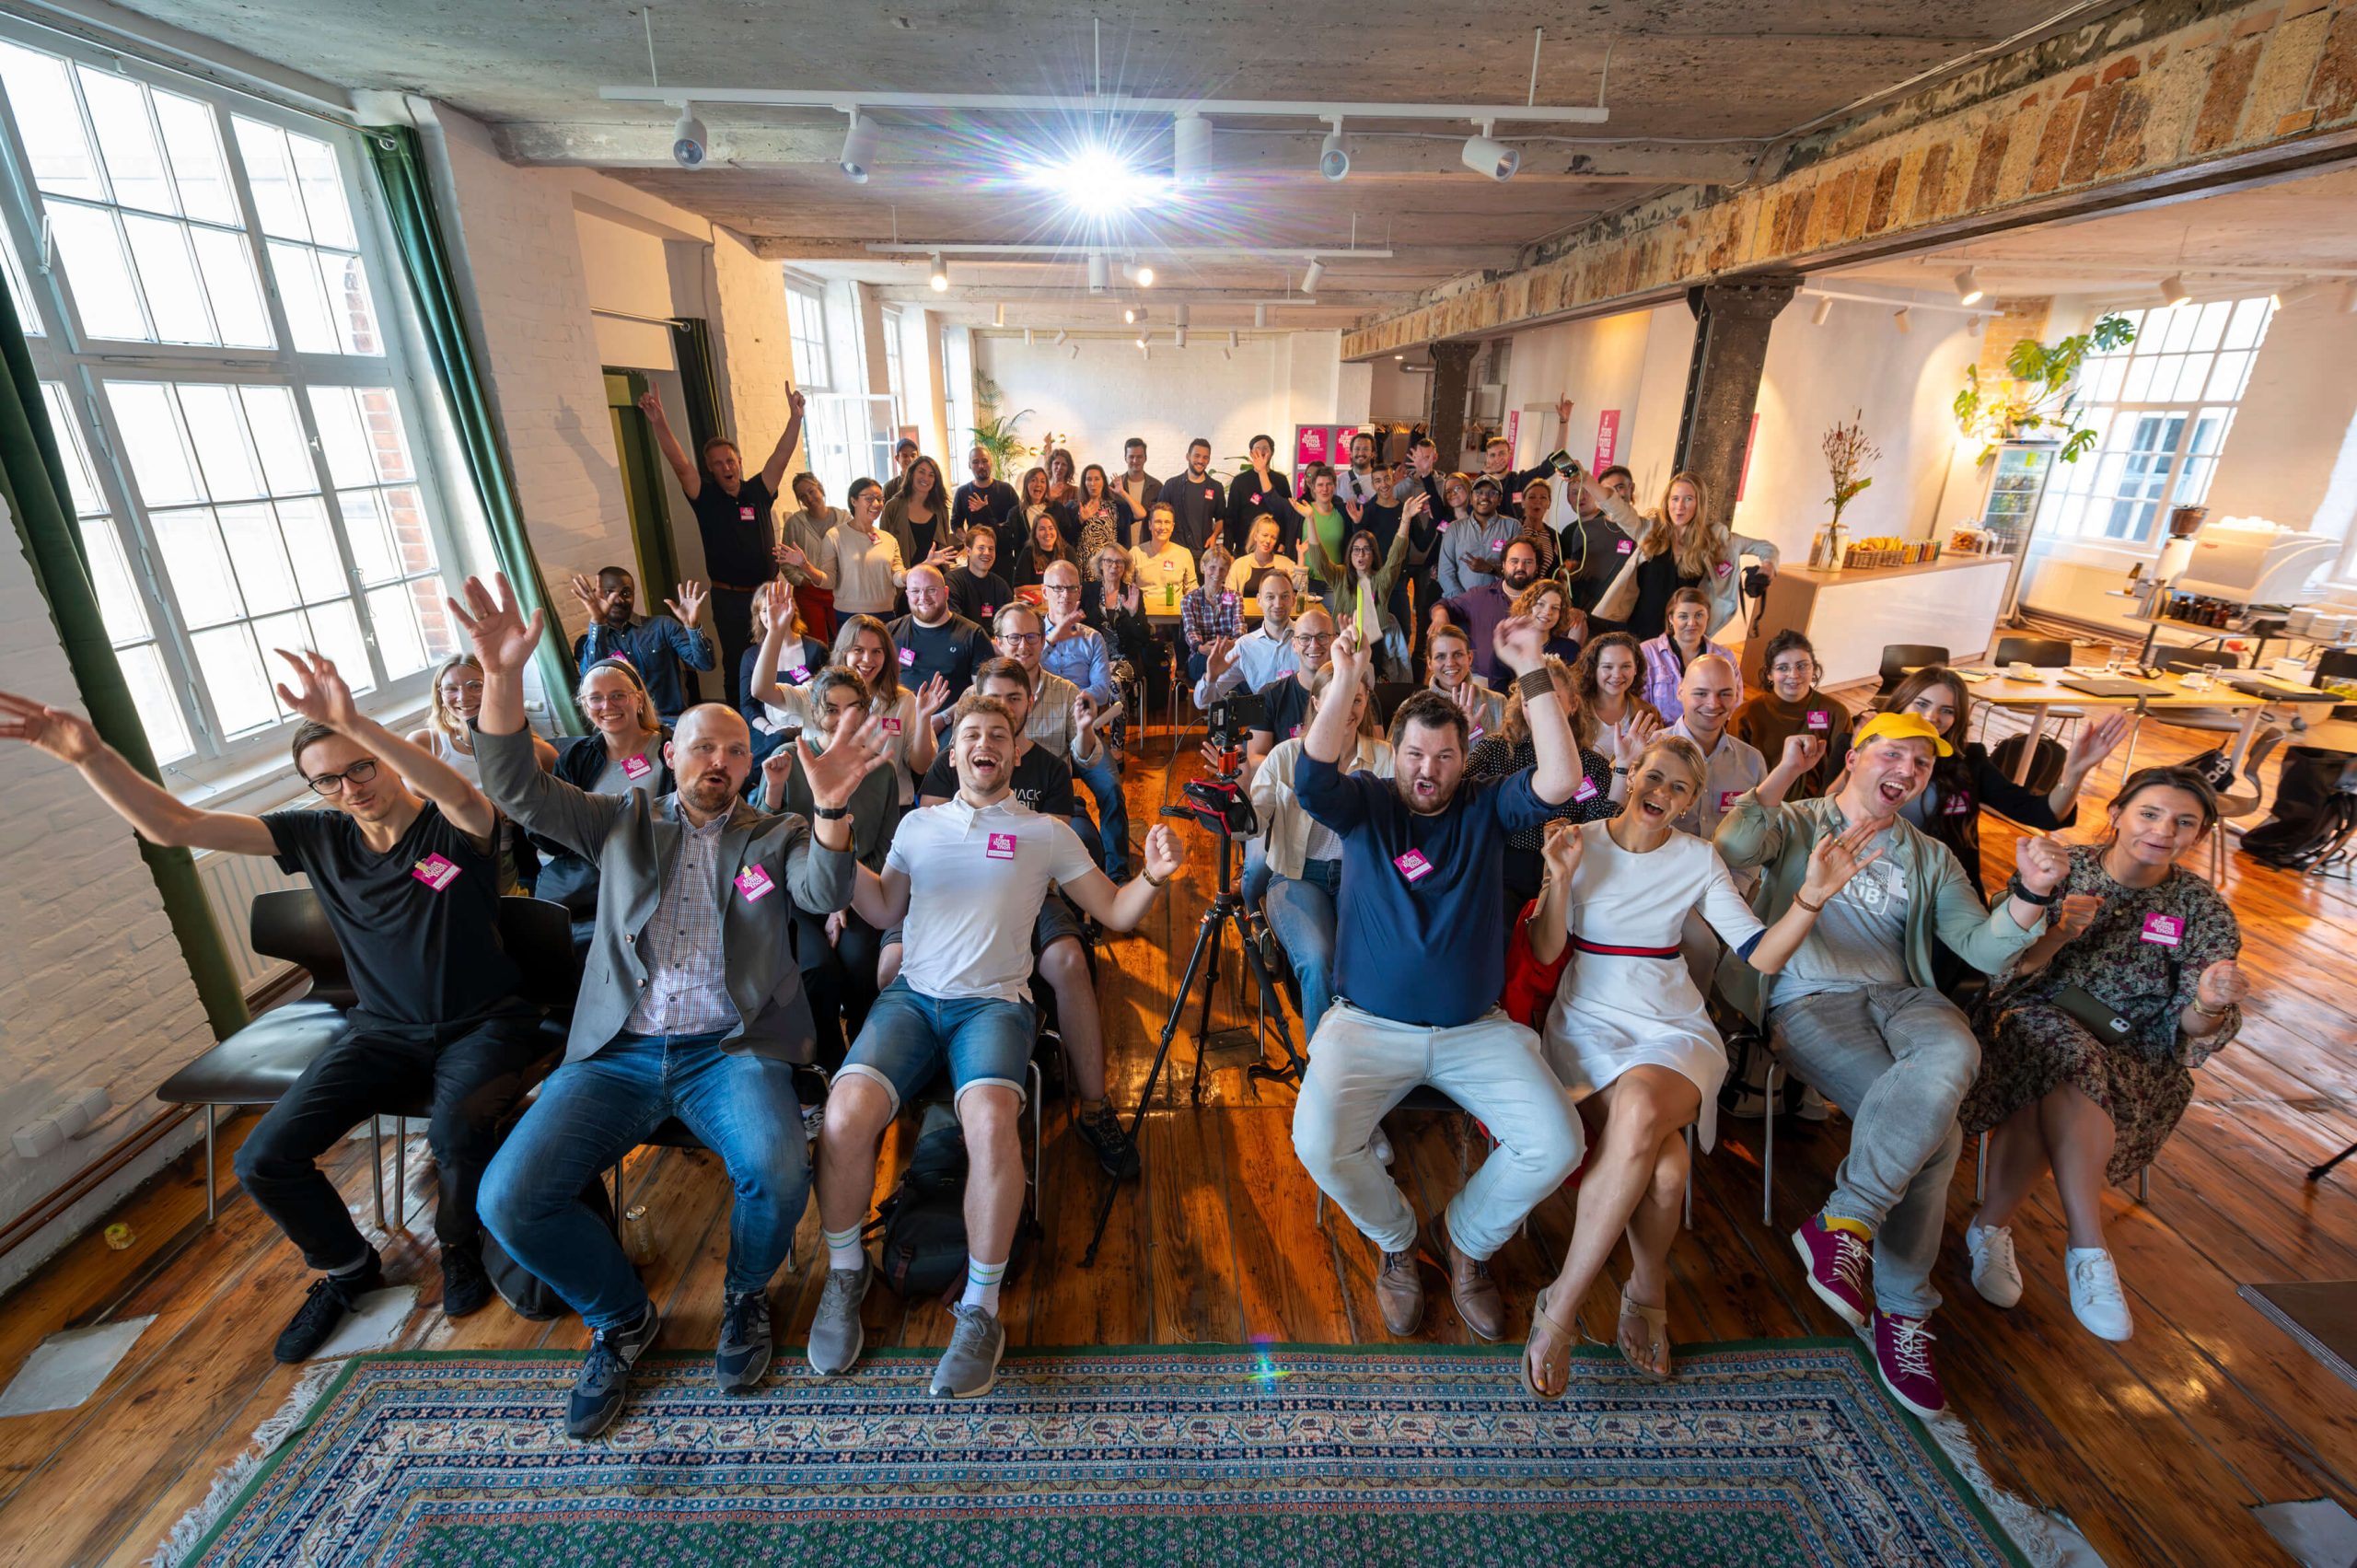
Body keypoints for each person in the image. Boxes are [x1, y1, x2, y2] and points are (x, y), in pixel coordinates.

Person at [0, 657, 546, 1365]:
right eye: (329, 778)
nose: (351, 788)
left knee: (458, 1129)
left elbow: (462, 794)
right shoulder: (318, 836)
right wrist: (92, 757)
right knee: (262, 1158)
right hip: (382, 1032)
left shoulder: (452, 823)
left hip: (485, 1022)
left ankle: (458, 1243)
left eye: (362, 767)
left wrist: (355, 722)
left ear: (384, 757)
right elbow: (175, 825)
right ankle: (348, 1268)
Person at [457, 574, 880, 1440]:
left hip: (732, 1048)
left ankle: (743, 1296)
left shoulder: (775, 834)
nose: (718, 763)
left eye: (732, 751)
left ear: (747, 762)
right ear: (670, 753)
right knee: (507, 1197)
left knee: (779, 1166)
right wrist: (501, 677)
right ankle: (621, 1319)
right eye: (700, 749)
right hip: (618, 1050)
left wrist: (831, 805)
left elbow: (823, 885)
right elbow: (515, 785)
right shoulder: (622, 822)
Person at [810, 694, 1188, 1397]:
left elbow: (1115, 911)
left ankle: (980, 1309)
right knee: (842, 1115)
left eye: (999, 735)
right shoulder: (919, 824)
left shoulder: (1047, 831)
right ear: (952, 756)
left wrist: (1155, 879)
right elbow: (885, 907)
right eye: (970, 735)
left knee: (990, 1124)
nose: (983, 743)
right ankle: (843, 1272)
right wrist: (831, 824)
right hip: (913, 999)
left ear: (1016, 755)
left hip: (994, 1005)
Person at [1713, 710, 2070, 1419]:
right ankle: (1905, 1313)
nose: (1909, 772)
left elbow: (1982, 947)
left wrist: (2029, 894)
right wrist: (1784, 772)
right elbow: (1733, 840)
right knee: (1933, 1130)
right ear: (1855, 758)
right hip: (1810, 997)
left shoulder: (1931, 855)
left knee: (1957, 1047)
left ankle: (1847, 1218)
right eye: (1897, 755)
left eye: (1924, 765)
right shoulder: (1799, 820)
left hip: (1906, 998)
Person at [1510, 745, 1883, 1397]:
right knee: (1667, 1168)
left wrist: (1811, 897)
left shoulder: (1697, 857)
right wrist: (1559, 876)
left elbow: (1760, 954)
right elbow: (1546, 948)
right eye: (1653, 775)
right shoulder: (1578, 840)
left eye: (1679, 788)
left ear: (1689, 804)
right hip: (1588, 1021)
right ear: (1632, 778)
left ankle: (1562, 1305)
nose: (1661, 791)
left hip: (1673, 1024)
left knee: (1643, 1110)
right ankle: (1645, 1288)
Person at [1287, 617, 1586, 1342]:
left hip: (1475, 1028)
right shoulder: (1368, 802)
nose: (1428, 768)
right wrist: (1346, 676)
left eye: (1444, 755)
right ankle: (1396, 1239)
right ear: (1394, 751)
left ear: (1465, 758)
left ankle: (1467, 1240)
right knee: (1317, 1141)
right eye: (1414, 752)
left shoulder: (1486, 806)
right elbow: (1310, 777)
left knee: (1558, 1140)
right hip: (1365, 1022)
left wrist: (1530, 667)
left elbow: (1564, 779)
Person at [1961, 767, 2247, 1342]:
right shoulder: (2063, 871)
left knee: (2057, 1078)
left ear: (2200, 835)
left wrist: (2211, 1001)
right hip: (2033, 1012)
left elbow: (2190, 1027)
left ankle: (1990, 1229)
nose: (2164, 830)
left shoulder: (2200, 906)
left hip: (2135, 1048)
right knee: (2060, 1049)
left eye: (2183, 822)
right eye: (2150, 813)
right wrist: (2059, 932)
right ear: (2116, 813)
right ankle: (2089, 1250)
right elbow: (2001, 965)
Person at [905, 657, 1134, 1174]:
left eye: (1015, 699)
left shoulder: (1050, 767)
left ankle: (1095, 1108)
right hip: (949, 899)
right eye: (994, 699)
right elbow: (934, 834)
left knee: (1070, 962)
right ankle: (928, 1101)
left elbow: (1043, 854)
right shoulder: (951, 759)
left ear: (1029, 703)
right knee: (890, 960)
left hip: (1029, 894)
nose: (1005, 710)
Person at [1873, 666, 2127, 993]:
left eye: (1946, 710)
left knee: (1928, 983)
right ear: (1901, 703)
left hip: (1944, 894)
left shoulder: (1970, 761)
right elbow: (1832, 804)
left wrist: (2075, 771)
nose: (1932, 717)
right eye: (1921, 704)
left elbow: (2042, 814)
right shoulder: (1864, 747)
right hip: (1877, 880)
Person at [758, 667, 900, 1094]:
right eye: (831, 709)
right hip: (797, 897)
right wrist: (774, 787)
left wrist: (841, 900)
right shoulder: (791, 755)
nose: (841, 719)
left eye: (852, 709)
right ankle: (825, 1073)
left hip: (858, 894)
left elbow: (884, 847)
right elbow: (764, 841)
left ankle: (869, 1063)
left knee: (862, 966)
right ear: (815, 711)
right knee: (816, 971)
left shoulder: (880, 770)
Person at [637, 385, 805, 709]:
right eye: (717, 464)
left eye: (730, 461)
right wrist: (659, 422)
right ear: (710, 468)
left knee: (782, 651)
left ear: (739, 462)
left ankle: (785, 709)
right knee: (738, 662)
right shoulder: (706, 496)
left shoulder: (758, 490)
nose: (726, 467)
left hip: (768, 593)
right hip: (729, 597)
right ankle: (742, 720)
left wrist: (795, 418)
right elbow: (680, 464)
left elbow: (781, 457)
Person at [1249, 665, 1392, 1040]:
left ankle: (1373, 1058)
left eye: (1356, 699)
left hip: (1360, 879)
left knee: (1381, 954)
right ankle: (1322, 1074)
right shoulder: (1285, 755)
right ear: (1316, 702)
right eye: (1337, 697)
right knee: (1317, 958)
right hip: (1298, 877)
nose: (1348, 708)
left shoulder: (1385, 756)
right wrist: (1235, 796)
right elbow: (1254, 819)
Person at [1466, 654, 1625, 918]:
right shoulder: (1496, 749)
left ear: (1573, 704)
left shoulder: (1591, 764)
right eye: (1531, 702)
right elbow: (1457, 803)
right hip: (1498, 868)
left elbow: (1600, 824)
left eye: (1550, 700)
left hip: (1564, 871)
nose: (1540, 711)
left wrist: (1623, 770)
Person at [533, 658, 671, 952]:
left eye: (618, 695)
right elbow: (551, 841)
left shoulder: (672, 747)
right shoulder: (575, 759)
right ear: (584, 705)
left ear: (638, 699)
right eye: (595, 698)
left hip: (661, 874)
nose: (607, 705)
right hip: (596, 882)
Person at [408, 652, 556, 892]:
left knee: (492, 911)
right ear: (440, 695)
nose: (463, 697)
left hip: (498, 860)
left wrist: (518, 808)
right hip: (440, 855)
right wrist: (489, 810)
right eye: (451, 689)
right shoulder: (424, 744)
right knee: (428, 903)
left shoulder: (531, 748)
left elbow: (561, 804)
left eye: (475, 686)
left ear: (494, 688)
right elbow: (413, 819)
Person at [1588, 470, 1779, 644]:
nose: (1680, 506)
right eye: (1675, 499)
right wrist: (1586, 480)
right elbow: (1615, 506)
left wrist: (1766, 569)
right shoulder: (1650, 530)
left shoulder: (1714, 538)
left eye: (1688, 499)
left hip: (1682, 638)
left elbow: (1766, 548)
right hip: (1640, 632)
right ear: (1667, 501)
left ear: (1699, 503)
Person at [1039, 561, 1132, 881]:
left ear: (1080, 592)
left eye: (1072, 588)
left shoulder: (1093, 638)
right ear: (1044, 592)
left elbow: (1102, 690)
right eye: (1058, 588)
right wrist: (1052, 640)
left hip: (1085, 732)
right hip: (1041, 733)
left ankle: (1117, 873)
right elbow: (1017, 675)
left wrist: (1065, 697)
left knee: (1112, 791)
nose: (1065, 595)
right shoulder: (1031, 635)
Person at [567, 568, 716, 723]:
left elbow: (705, 664)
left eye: (626, 593)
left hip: (670, 722)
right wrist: (597, 621)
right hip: (625, 726)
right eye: (609, 592)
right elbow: (590, 680)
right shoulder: (591, 642)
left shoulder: (662, 626)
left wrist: (693, 627)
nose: (618, 600)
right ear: (597, 594)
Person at [1731, 630, 1851, 800]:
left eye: (1802, 666)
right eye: (1783, 668)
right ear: (1769, 674)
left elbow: (1844, 771)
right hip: (1762, 806)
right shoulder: (1747, 715)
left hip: (1817, 811)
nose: (1794, 675)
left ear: (1814, 669)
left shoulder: (1836, 713)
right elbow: (1734, 773)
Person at [1665, 654, 1765, 843]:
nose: (1713, 703)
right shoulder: (1649, 750)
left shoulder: (1752, 761)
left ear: (1736, 695)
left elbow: (1759, 830)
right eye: (1701, 693)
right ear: (1680, 692)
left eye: (1725, 693)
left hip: (1731, 871)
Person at [1433, 537, 1543, 686]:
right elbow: (1445, 605)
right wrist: (1440, 617)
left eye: (1528, 562)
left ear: (1536, 567)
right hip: (1483, 682)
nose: (1520, 567)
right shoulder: (1479, 596)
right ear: (1503, 565)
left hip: (1532, 680)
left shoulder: (1546, 601)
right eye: (1514, 561)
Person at [738, 583, 828, 764]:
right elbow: (748, 706)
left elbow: (827, 697)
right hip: (767, 731)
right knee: (775, 743)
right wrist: (769, 729)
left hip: (808, 728)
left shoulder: (816, 649)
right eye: (765, 610)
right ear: (758, 616)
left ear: (792, 608)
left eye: (777, 607)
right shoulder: (750, 657)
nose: (771, 614)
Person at [1243, 605, 1337, 772]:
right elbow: (1255, 759)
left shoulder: (1357, 693)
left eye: (1322, 636)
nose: (1314, 645)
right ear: (1294, 645)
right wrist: (1305, 774)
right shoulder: (1270, 696)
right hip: (1284, 791)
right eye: (1305, 638)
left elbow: (1374, 756)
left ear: (1334, 640)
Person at [1193, 571, 1302, 709]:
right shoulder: (1245, 646)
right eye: (1270, 597)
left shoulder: (1309, 637)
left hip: (1307, 721)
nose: (1278, 603)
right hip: (1265, 724)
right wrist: (1211, 678)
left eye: (1284, 596)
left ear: (1293, 599)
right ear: (1259, 600)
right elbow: (1202, 702)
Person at [888, 564, 987, 714]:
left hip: (954, 725)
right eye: (916, 591)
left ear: (946, 593)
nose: (923, 598)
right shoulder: (890, 631)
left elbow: (983, 692)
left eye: (931, 590)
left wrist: (943, 718)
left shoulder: (973, 634)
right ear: (908, 594)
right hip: (903, 722)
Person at [802, 479, 906, 621]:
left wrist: (917, 571)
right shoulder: (835, 536)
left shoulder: (889, 539)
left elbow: (897, 578)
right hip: (849, 616)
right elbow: (829, 581)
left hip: (886, 613)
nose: (876, 504)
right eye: (869, 499)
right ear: (854, 501)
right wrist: (805, 566)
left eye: (880, 499)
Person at [1640, 587, 1736, 724]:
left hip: (1707, 736)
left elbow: (1733, 705)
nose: (1692, 623)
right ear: (1671, 619)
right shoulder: (1646, 652)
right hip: (1660, 738)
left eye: (1699, 615)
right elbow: (1638, 705)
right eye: (1683, 616)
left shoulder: (1726, 657)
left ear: (1708, 616)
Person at [1560, 462, 1639, 624]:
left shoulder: (1641, 529)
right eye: (1608, 490)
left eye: (1619, 487)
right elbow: (1575, 577)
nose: (1614, 495)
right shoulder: (1585, 529)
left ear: (1631, 488)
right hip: (1584, 617)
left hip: (1622, 620)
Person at [1084, 545, 1160, 707]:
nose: (1114, 566)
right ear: (1100, 564)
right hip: (1093, 658)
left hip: (1126, 659)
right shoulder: (1088, 592)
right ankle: (1091, 729)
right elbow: (1081, 628)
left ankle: (1117, 733)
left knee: (1113, 683)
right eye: (1109, 561)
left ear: (1125, 567)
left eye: (1119, 562)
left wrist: (1133, 614)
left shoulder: (1132, 592)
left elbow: (1144, 638)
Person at [1568, 632, 1662, 758]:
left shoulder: (1649, 713)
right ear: (1593, 669)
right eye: (1607, 667)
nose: (1617, 675)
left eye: (1626, 666)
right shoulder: (1573, 709)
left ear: (1635, 669)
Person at [777, 471, 845, 645]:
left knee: (846, 638)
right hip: (809, 592)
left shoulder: (844, 518)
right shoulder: (795, 523)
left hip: (839, 590)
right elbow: (785, 560)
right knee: (815, 643)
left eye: (811, 491)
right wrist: (802, 581)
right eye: (802, 496)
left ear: (820, 488)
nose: (809, 498)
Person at [1435, 477, 1527, 600]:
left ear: (1500, 499)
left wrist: (1491, 568)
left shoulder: (1513, 527)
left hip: (1499, 604)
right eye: (1479, 492)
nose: (1484, 497)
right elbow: (1445, 572)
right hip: (1459, 605)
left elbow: (1518, 569)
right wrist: (1463, 602)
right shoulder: (1454, 529)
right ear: (1471, 498)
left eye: (1492, 493)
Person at [1225, 434, 1298, 553]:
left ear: (1272, 452)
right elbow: (1231, 517)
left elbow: (1287, 514)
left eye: (1265, 449)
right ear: (1251, 454)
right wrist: (1228, 549)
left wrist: (1283, 542)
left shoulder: (1281, 480)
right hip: (1245, 547)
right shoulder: (1240, 481)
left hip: (1274, 545)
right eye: (1257, 449)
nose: (1261, 452)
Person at [1425, 623, 1504, 738]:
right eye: (1441, 656)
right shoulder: (1411, 709)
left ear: (1470, 658)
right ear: (1429, 663)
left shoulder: (1498, 703)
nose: (1450, 663)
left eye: (1458, 654)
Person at [1181, 545, 1244, 683]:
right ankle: (1214, 702)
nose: (1217, 573)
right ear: (1203, 567)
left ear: (1227, 572)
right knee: (1214, 670)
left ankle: (1228, 703)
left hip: (1228, 652)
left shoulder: (1235, 597)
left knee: (1240, 669)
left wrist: (1233, 643)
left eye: (1222, 569)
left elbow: (1239, 626)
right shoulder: (1189, 599)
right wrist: (1201, 648)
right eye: (1212, 567)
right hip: (1201, 654)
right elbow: (1190, 630)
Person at [1128, 502, 1200, 620]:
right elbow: (1127, 587)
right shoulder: (1135, 553)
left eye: (1167, 522)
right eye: (1158, 522)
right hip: (1144, 618)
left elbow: (1192, 588)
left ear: (1172, 526)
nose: (1162, 527)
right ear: (1150, 525)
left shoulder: (1184, 554)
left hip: (1177, 619)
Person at [882, 455, 954, 565]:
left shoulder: (940, 508)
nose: (926, 478)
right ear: (911, 473)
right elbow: (884, 547)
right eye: (921, 472)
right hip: (905, 577)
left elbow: (945, 544)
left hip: (935, 575)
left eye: (931, 475)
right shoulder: (892, 507)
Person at [1163, 437, 1225, 552]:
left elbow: (1220, 519)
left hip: (1204, 551)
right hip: (1175, 551)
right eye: (1197, 456)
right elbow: (1160, 515)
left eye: (1205, 457)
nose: (1201, 461)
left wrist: (1214, 536)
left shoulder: (1216, 488)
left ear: (1209, 460)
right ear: (1188, 456)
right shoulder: (1172, 485)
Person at [947, 524, 1013, 625]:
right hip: (964, 640)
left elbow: (1008, 624)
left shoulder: (1001, 586)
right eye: (981, 548)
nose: (987, 553)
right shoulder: (953, 582)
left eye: (991, 549)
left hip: (995, 639)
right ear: (969, 551)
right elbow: (955, 624)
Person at [1513, 576, 1585, 666]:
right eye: (1540, 604)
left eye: (1555, 608)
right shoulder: (1509, 648)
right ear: (1527, 606)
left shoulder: (1571, 649)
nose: (1547, 612)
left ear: (1561, 614)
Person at [1074, 462, 1136, 561]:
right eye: (1089, 479)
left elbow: (1141, 514)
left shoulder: (1115, 506)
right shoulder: (1074, 507)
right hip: (1083, 563)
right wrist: (1081, 520)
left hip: (1109, 563)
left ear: (1103, 482)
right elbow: (1068, 536)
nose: (1092, 483)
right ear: (1084, 483)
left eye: (1097, 479)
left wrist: (1122, 493)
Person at [1226, 515, 1298, 598]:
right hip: (1246, 611)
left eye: (1273, 538)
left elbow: (1300, 588)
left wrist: (1301, 556)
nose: (1268, 541)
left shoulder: (1286, 563)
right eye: (1265, 535)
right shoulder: (1238, 564)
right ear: (1255, 536)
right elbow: (1228, 597)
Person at [953, 447, 1020, 531]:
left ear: (991, 463)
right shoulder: (962, 492)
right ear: (969, 465)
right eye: (975, 462)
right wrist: (967, 540)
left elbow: (1017, 518)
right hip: (975, 544)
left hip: (1003, 543)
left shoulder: (1007, 490)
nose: (981, 466)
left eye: (985, 461)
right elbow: (955, 524)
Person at [1011, 506, 1074, 592]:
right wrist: (1049, 586)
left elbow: (1075, 583)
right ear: (1035, 534)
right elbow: (1018, 589)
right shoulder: (1028, 552)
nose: (1047, 533)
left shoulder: (1068, 551)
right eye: (1042, 529)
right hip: (1037, 604)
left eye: (1051, 528)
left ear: (1056, 531)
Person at [1115, 436, 1161, 525]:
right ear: (1125, 458)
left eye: (1139, 457)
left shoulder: (1156, 487)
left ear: (1145, 458)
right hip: (1123, 539)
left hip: (1148, 538)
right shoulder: (1115, 486)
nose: (1135, 461)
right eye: (1131, 457)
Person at [877, 436, 921, 506]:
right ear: (897, 458)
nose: (909, 459)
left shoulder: (925, 483)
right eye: (905, 456)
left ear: (918, 458)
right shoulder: (889, 487)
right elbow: (886, 515)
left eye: (913, 455)